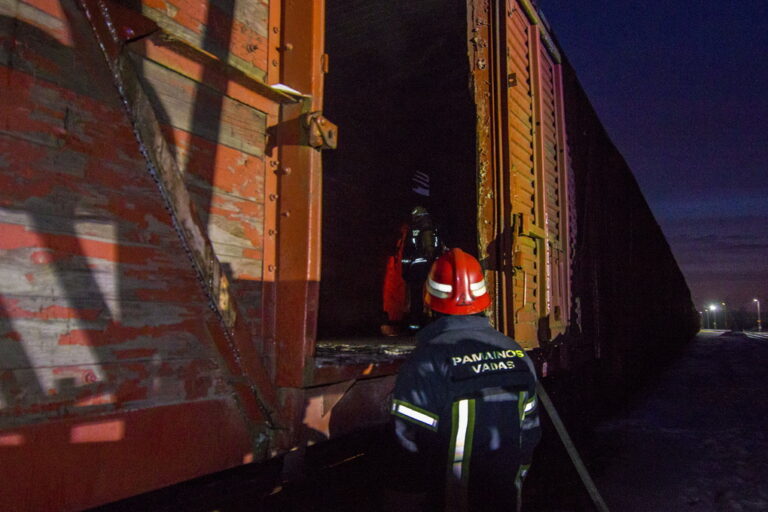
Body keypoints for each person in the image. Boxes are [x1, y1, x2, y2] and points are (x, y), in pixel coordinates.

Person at [390, 248, 541, 512]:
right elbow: (529, 433)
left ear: (430, 300)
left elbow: (408, 448)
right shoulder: (517, 354)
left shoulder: (426, 361)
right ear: (483, 298)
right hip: (505, 501)